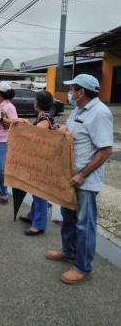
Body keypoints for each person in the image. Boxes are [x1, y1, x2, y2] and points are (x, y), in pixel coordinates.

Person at [45, 74, 113, 285]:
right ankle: (69, 251)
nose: (70, 93)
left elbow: (105, 150)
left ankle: (83, 267)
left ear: (81, 92)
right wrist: (62, 130)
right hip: (70, 177)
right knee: (68, 217)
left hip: (85, 180)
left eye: (73, 89)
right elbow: (71, 131)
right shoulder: (78, 110)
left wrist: (82, 174)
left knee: (85, 224)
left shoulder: (100, 113)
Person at [18, 91, 57, 236]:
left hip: (42, 161)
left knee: (39, 192)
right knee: (35, 189)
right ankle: (33, 215)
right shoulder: (44, 115)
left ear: (39, 103)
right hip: (40, 159)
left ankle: (39, 224)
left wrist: (23, 126)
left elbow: (35, 135)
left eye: (35, 100)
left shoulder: (45, 118)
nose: (33, 102)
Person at [0, 81, 18, 205]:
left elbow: (15, 123)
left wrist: (1, 119)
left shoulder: (9, 107)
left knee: (0, 169)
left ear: (0, 93)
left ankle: (4, 192)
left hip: (4, 141)